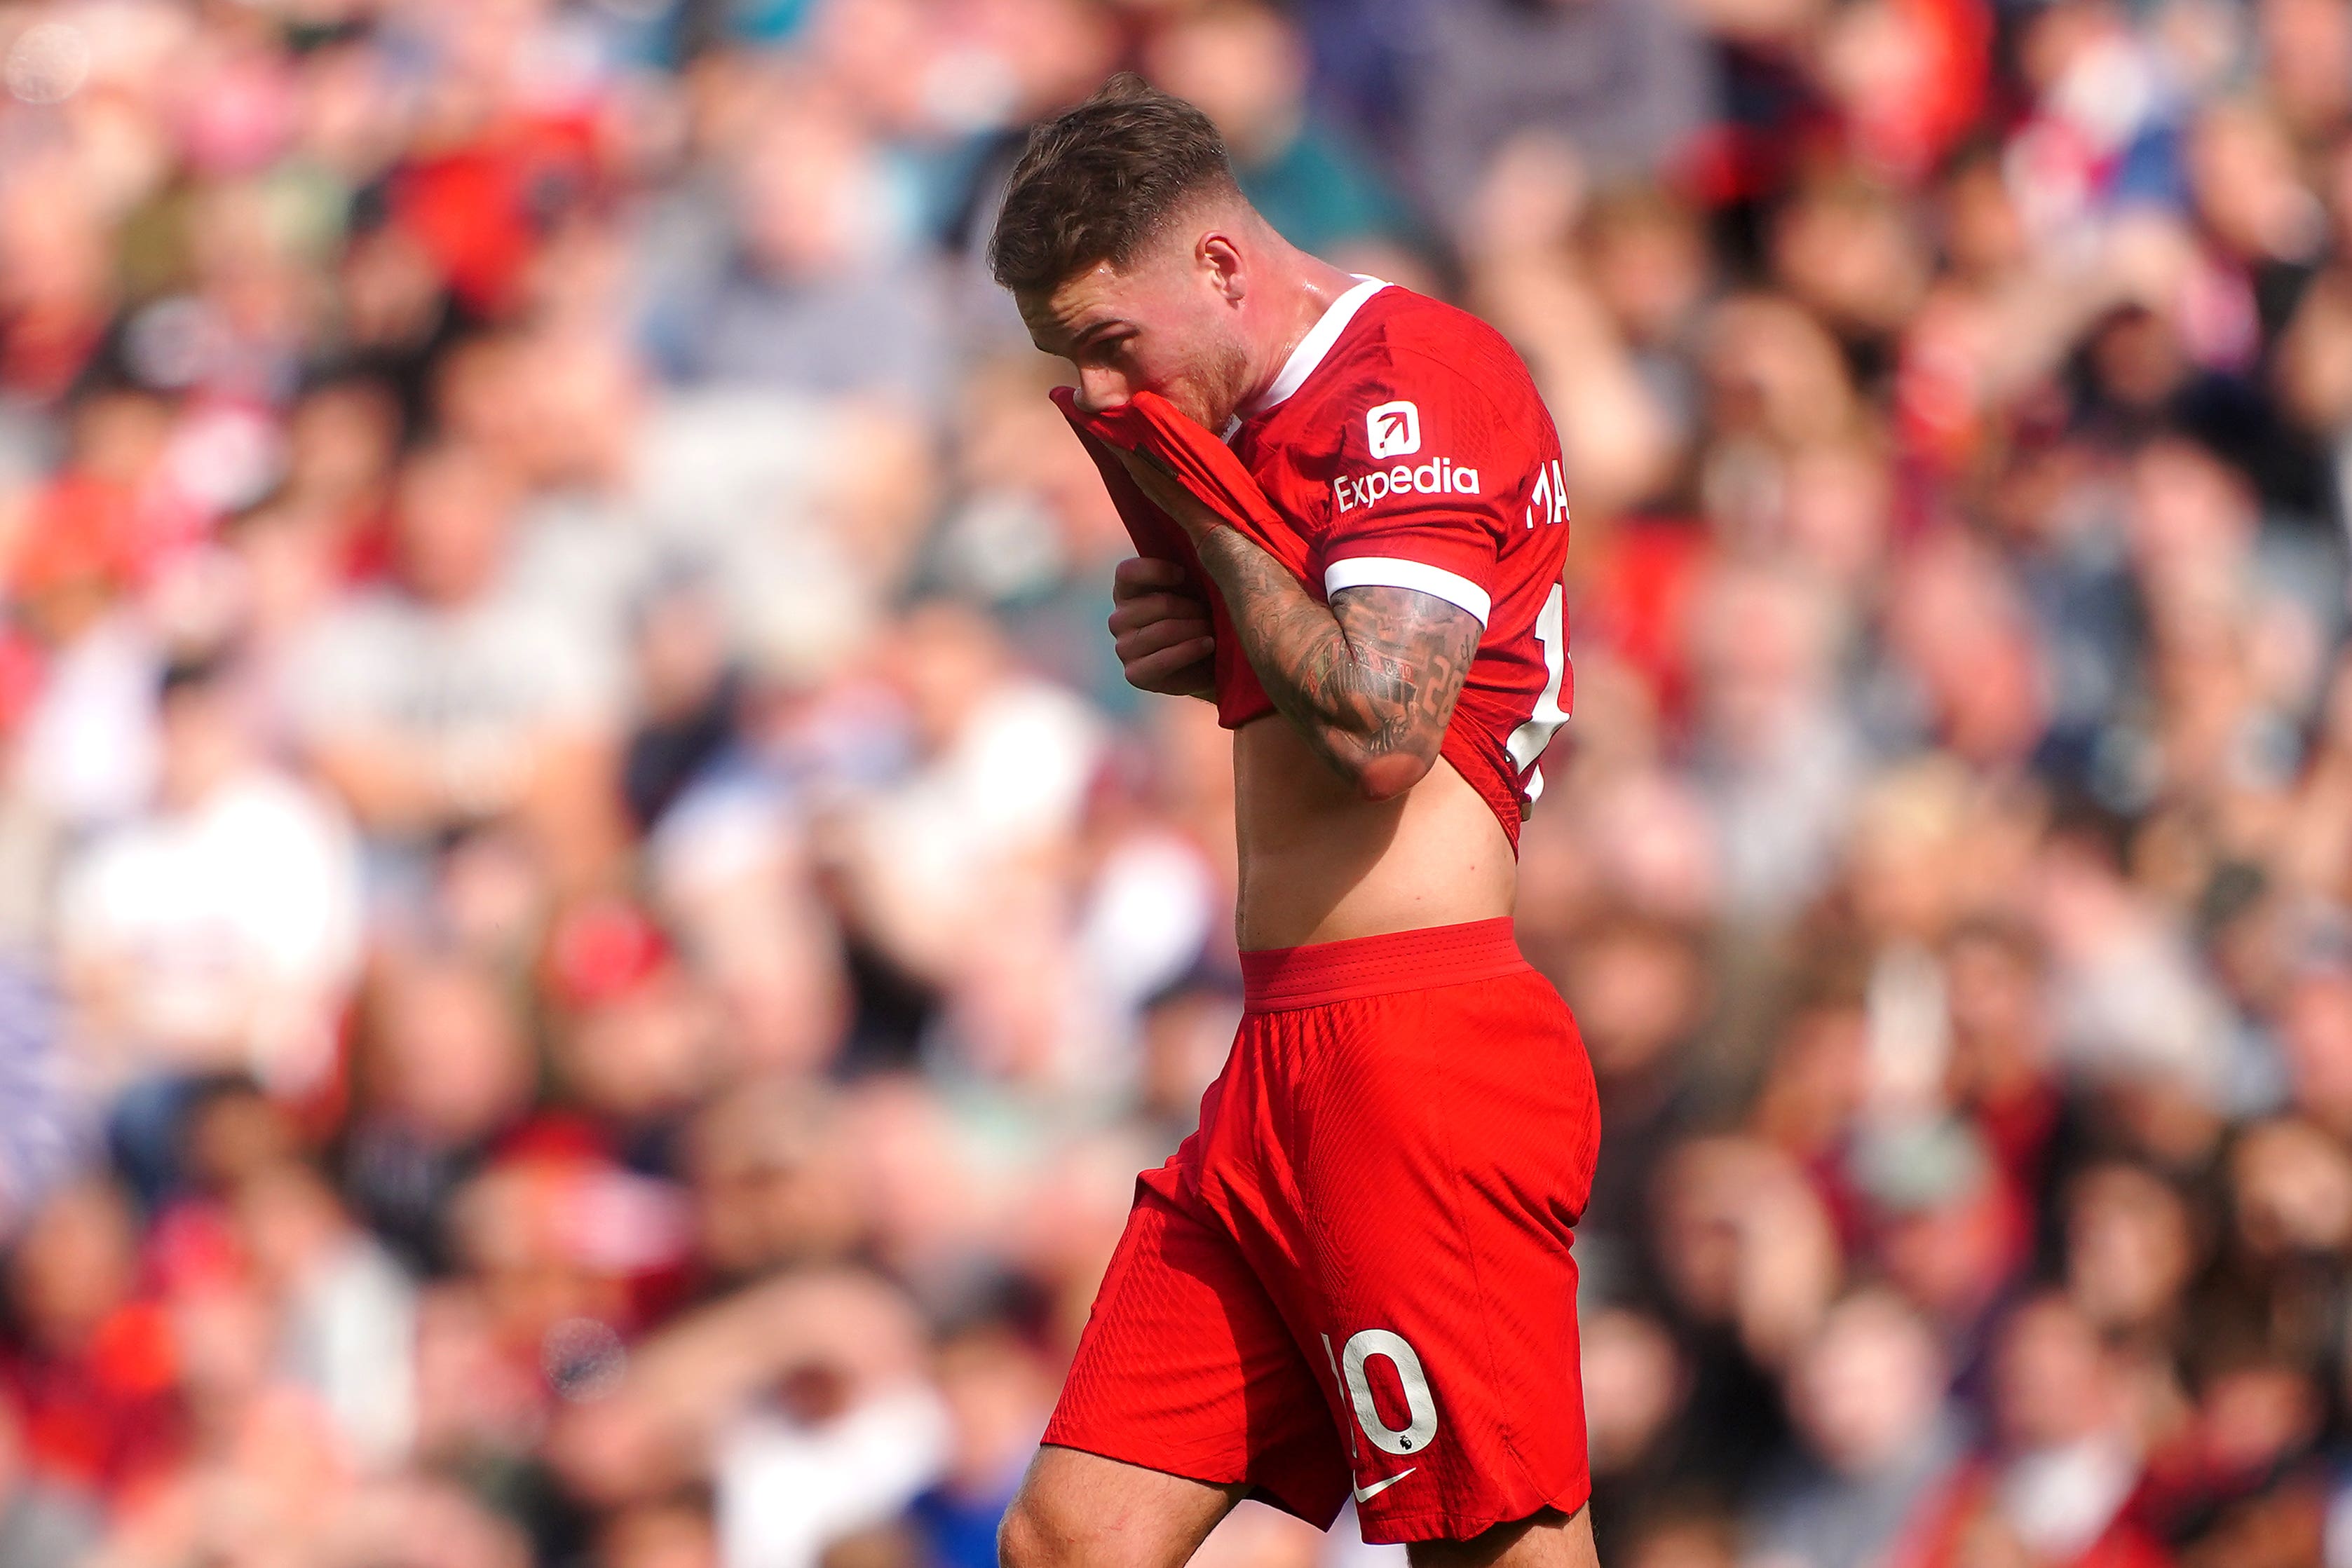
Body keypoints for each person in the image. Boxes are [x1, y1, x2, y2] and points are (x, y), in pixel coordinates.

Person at [985, 78, 1596, 1565]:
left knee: (1490, 1542)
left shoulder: (1408, 382)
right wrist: (1218, 622)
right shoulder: (1257, 419)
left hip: (1414, 1044)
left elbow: (1385, 733)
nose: (1111, 401)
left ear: (1216, 264)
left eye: (1112, 348)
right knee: (1071, 1538)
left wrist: (1207, 530)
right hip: (1282, 1057)